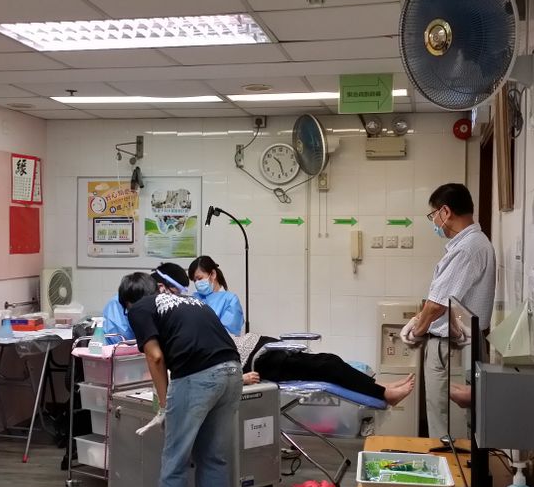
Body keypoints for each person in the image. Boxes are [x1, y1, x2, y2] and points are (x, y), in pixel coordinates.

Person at [119, 272, 243, 487]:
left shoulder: (139, 308)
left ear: (128, 302)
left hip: (199, 377)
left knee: (174, 461)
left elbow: (155, 356)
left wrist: (164, 404)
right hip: (232, 372)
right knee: (212, 457)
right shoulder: (187, 301)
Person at [400, 183, 496, 440]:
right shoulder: (474, 243)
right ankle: (455, 459)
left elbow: (437, 305)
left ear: (446, 212)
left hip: (451, 345)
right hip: (463, 341)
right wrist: (419, 319)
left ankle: (446, 461)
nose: (434, 222)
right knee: (461, 419)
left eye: (433, 215)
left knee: (442, 420)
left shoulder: (467, 248)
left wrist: (416, 332)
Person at [232, 333, 415, 406]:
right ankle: (384, 394)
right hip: (259, 362)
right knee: (330, 365)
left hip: (263, 348)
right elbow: (215, 373)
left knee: (330, 362)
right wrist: (241, 379)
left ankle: (379, 387)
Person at [100, 263, 189, 344]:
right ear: (161, 288)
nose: (174, 299)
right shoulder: (118, 307)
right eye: (173, 293)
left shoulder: (163, 306)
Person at [188, 256, 244, 336]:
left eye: (199, 278)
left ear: (213, 274)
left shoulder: (230, 300)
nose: (197, 283)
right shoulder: (194, 298)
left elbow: (228, 335)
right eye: (194, 281)